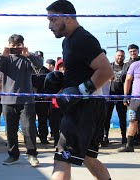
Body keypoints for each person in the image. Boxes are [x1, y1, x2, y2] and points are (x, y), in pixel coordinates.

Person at [46, 1, 114, 179]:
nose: (49, 26)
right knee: (88, 158)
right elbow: (82, 73)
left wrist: (79, 91)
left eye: (53, 20)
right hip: (90, 106)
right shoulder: (68, 42)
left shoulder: (82, 39)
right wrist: (60, 80)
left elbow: (106, 71)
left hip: (84, 107)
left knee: (62, 158)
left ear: (67, 17)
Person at [0, 34, 41, 167]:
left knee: (29, 129)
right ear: (8, 45)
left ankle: (32, 155)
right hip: (8, 100)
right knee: (10, 130)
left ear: (23, 45)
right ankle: (12, 155)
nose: (15, 48)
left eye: (18, 45)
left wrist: (29, 55)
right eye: (13, 45)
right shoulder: (5, 58)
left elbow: (39, 65)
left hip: (26, 100)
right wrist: (3, 54)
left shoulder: (27, 58)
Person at [102, 50, 127, 146]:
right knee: (106, 117)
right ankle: (105, 137)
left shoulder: (126, 67)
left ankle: (124, 137)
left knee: (122, 118)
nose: (120, 57)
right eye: (118, 55)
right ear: (115, 56)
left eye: (122, 56)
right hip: (109, 95)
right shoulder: (109, 66)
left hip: (121, 96)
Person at [117, 57, 140, 152]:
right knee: (133, 121)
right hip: (136, 99)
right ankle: (129, 145)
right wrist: (126, 96)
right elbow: (128, 80)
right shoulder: (135, 65)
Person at [31, 52, 51, 144]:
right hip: (31, 99)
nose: (39, 59)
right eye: (37, 57)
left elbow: (51, 86)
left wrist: (47, 95)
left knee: (43, 119)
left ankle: (43, 137)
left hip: (44, 99)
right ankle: (33, 136)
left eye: (41, 57)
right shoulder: (29, 70)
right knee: (31, 119)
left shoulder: (47, 72)